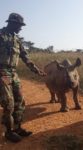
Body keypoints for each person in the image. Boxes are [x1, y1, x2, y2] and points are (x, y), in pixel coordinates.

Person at [0, 13, 46, 142]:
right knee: (9, 103)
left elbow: (25, 57)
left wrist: (36, 70)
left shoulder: (17, 39)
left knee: (20, 101)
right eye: (19, 25)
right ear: (12, 23)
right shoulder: (0, 35)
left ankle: (18, 128)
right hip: (1, 71)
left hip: (13, 73)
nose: (21, 28)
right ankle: (9, 132)